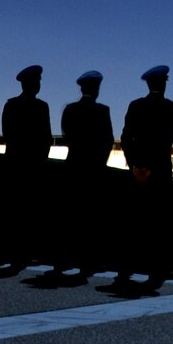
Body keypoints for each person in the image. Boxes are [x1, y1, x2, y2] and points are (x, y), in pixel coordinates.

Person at [117, 65, 173, 292]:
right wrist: (151, 167)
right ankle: (158, 269)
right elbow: (165, 140)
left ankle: (126, 268)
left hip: (137, 174)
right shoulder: (171, 108)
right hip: (159, 171)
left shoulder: (136, 106)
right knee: (159, 224)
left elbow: (126, 137)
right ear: (164, 83)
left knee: (133, 223)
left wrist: (135, 165)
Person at [59, 72, 115, 278]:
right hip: (94, 169)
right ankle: (88, 260)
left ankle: (65, 256)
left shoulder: (70, 110)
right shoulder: (102, 111)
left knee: (70, 214)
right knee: (91, 216)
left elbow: (67, 136)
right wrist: (99, 163)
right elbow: (107, 140)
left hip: (73, 168)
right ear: (97, 89)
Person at [0, 65, 53, 271]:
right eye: (35, 82)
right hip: (30, 163)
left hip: (17, 162)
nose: (37, 85)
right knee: (26, 210)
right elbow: (45, 137)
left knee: (17, 210)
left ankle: (14, 251)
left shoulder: (12, 105)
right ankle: (25, 251)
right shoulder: (40, 107)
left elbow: (8, 134)